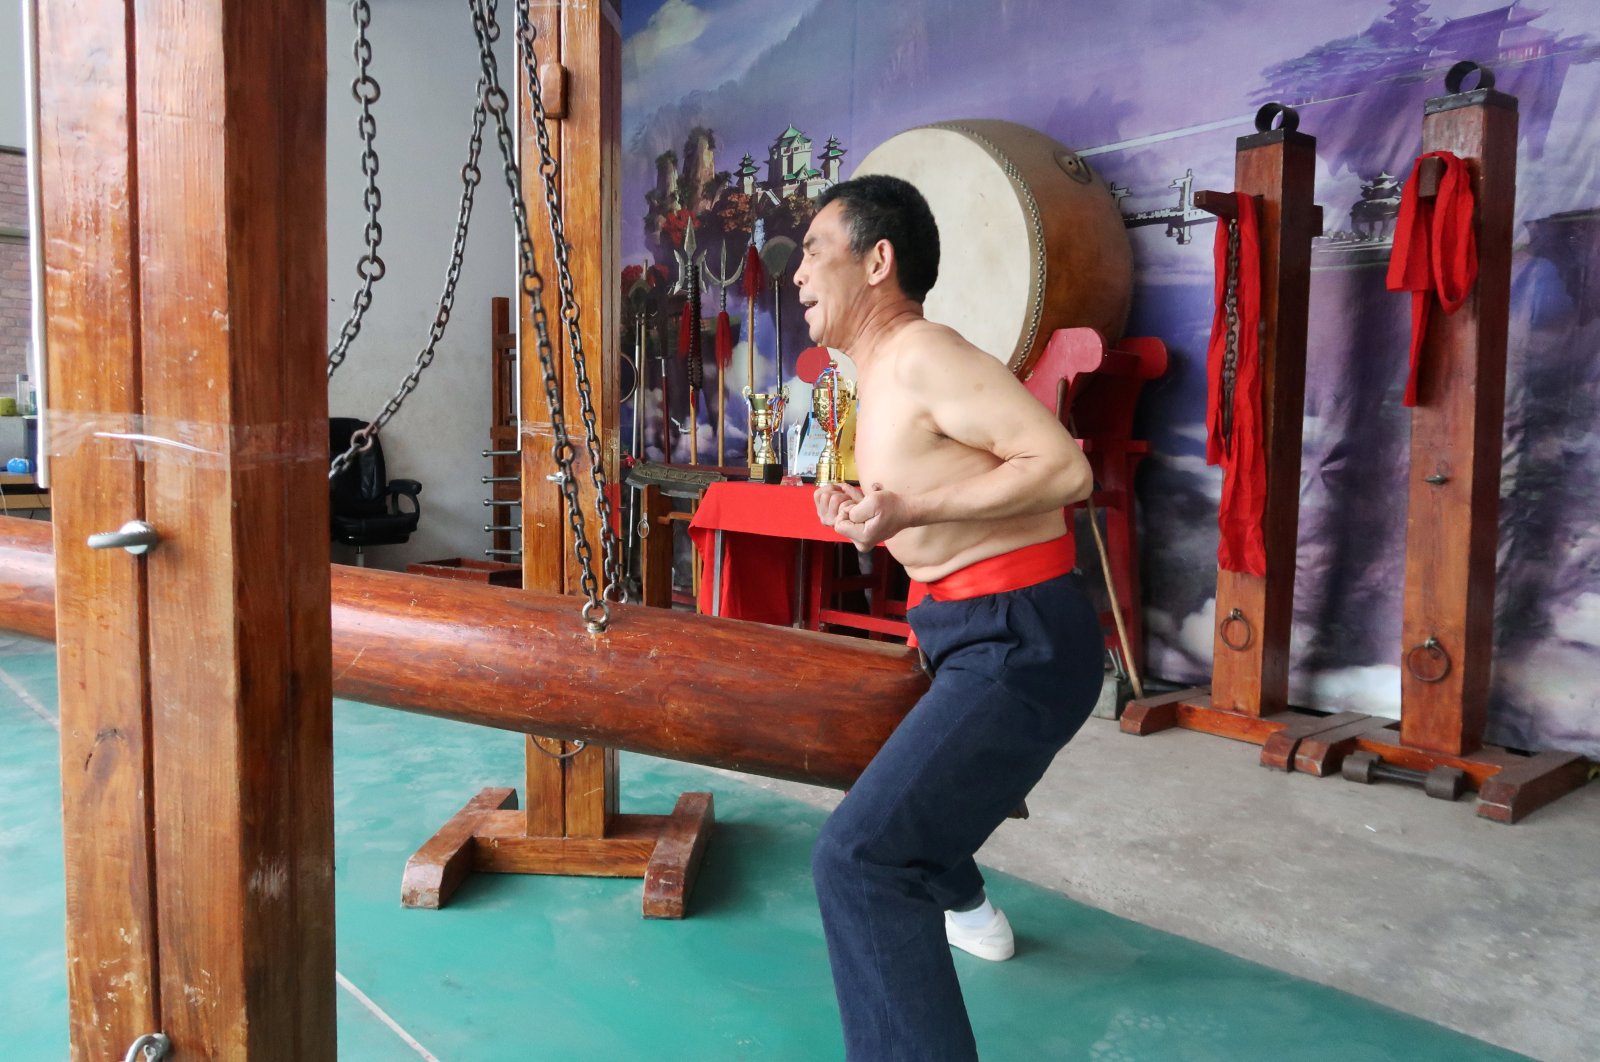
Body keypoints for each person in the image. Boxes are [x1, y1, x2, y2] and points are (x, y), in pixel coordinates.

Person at [795, 174, 1105, 1060]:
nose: (799, 273)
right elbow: (938, 489)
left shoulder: (925, 351)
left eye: (816, 250)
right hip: (966, 633)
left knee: (862, 862)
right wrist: (874, 507)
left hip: (1017, 638)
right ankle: (966, 901)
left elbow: (1063, 467)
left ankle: (949, 892)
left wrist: (911, 513)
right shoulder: (882, 374)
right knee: (880, 796)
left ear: (878, 260)